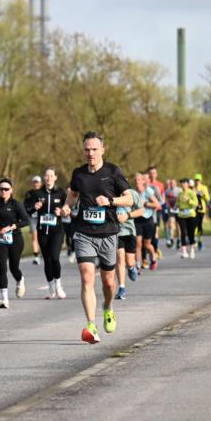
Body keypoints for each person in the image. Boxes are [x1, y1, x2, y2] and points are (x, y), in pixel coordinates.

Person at [65, 132, 133, 344]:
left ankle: (108, 307)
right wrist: (68, 206)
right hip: (84, 233)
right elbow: (73, 194)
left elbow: (129, 199)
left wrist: (110, 201)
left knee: (108, 282)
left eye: (94, 149)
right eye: (87, 149)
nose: (90, 153)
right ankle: (91, 325)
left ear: (103, 150)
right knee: (87, 277)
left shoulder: (113, 172)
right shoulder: (78, 174)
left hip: (108, 233)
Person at [0, 178, 30, 309]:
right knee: (2, 268)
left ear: (11, 190)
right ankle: (4, 299)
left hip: (15, 239)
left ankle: (20, 280)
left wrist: (11, 227)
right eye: (1, 189)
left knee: (13, 267)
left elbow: (25, 221)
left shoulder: (16, 204)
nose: (3, 191)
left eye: (6, 189)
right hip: (0, 240)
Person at [25, 167, 68, 299]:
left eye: (51, 175)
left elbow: (68, 210)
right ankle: (51, 288)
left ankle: (59, 285)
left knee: (55, 258)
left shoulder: (61, 193)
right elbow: (28, 211)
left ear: (55, 177)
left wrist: (60, 211)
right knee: (47, 261)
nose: (49, 178)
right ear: (44, 178)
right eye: (46, 175)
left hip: (57, 231)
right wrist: (34, 208)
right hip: (43, 231)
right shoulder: (37, 194)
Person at [114, 178, 145, 300]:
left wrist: (127, 215)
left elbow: (141, 210)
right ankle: (122, 288)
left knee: (129, 261)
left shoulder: (133, 194)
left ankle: (132, 267)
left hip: (130, 231)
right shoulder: (111, 195)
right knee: (120, 257)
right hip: (116, 232)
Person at [134, 173, 161, 272]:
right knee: (138, 243)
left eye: (138, 179)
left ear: (143, 181)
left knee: (147, 244)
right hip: (137, 219)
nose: (137, 181)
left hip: (148, 220)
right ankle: (137, 265)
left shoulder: (148, 191)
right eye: (135, 180)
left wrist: (145, 203)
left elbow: (157, 204)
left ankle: (153, 258)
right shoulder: (133, 192)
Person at [23, 175, 43, 265]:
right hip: (32, 217)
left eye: (37, 182)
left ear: (40, 183)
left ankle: (43, 253)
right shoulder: (29, 193)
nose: (36, 183)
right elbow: (25, 205)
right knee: (34, 236)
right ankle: (36, 256)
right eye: (34, 182)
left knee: (42, 236)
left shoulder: (44, 192)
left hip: (43, 217)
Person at [176, 178, 199, 259]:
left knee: (191, 233)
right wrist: (176, 204)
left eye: (184, 183)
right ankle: (184, 251)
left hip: (191, 215)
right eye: (181, 183)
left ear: (188, 184)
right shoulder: (179, 193)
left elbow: (196, 204)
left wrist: (189, 200)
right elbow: (178, 202)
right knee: (182, 232)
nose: (182, 184)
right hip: (181, 215)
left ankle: (192, 250)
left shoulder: (192, 193)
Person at [194, 173, 209, 250]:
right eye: (196, 180)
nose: (197, 182)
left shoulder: (204, 187)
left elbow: (207, 198)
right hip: (194, 209)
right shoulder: (192, 188)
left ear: (200, 180)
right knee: (194, 225)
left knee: (199, 225)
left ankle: (200, 240)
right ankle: (195, 240)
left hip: (201, 209)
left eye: (198, 180)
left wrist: (203, 194)